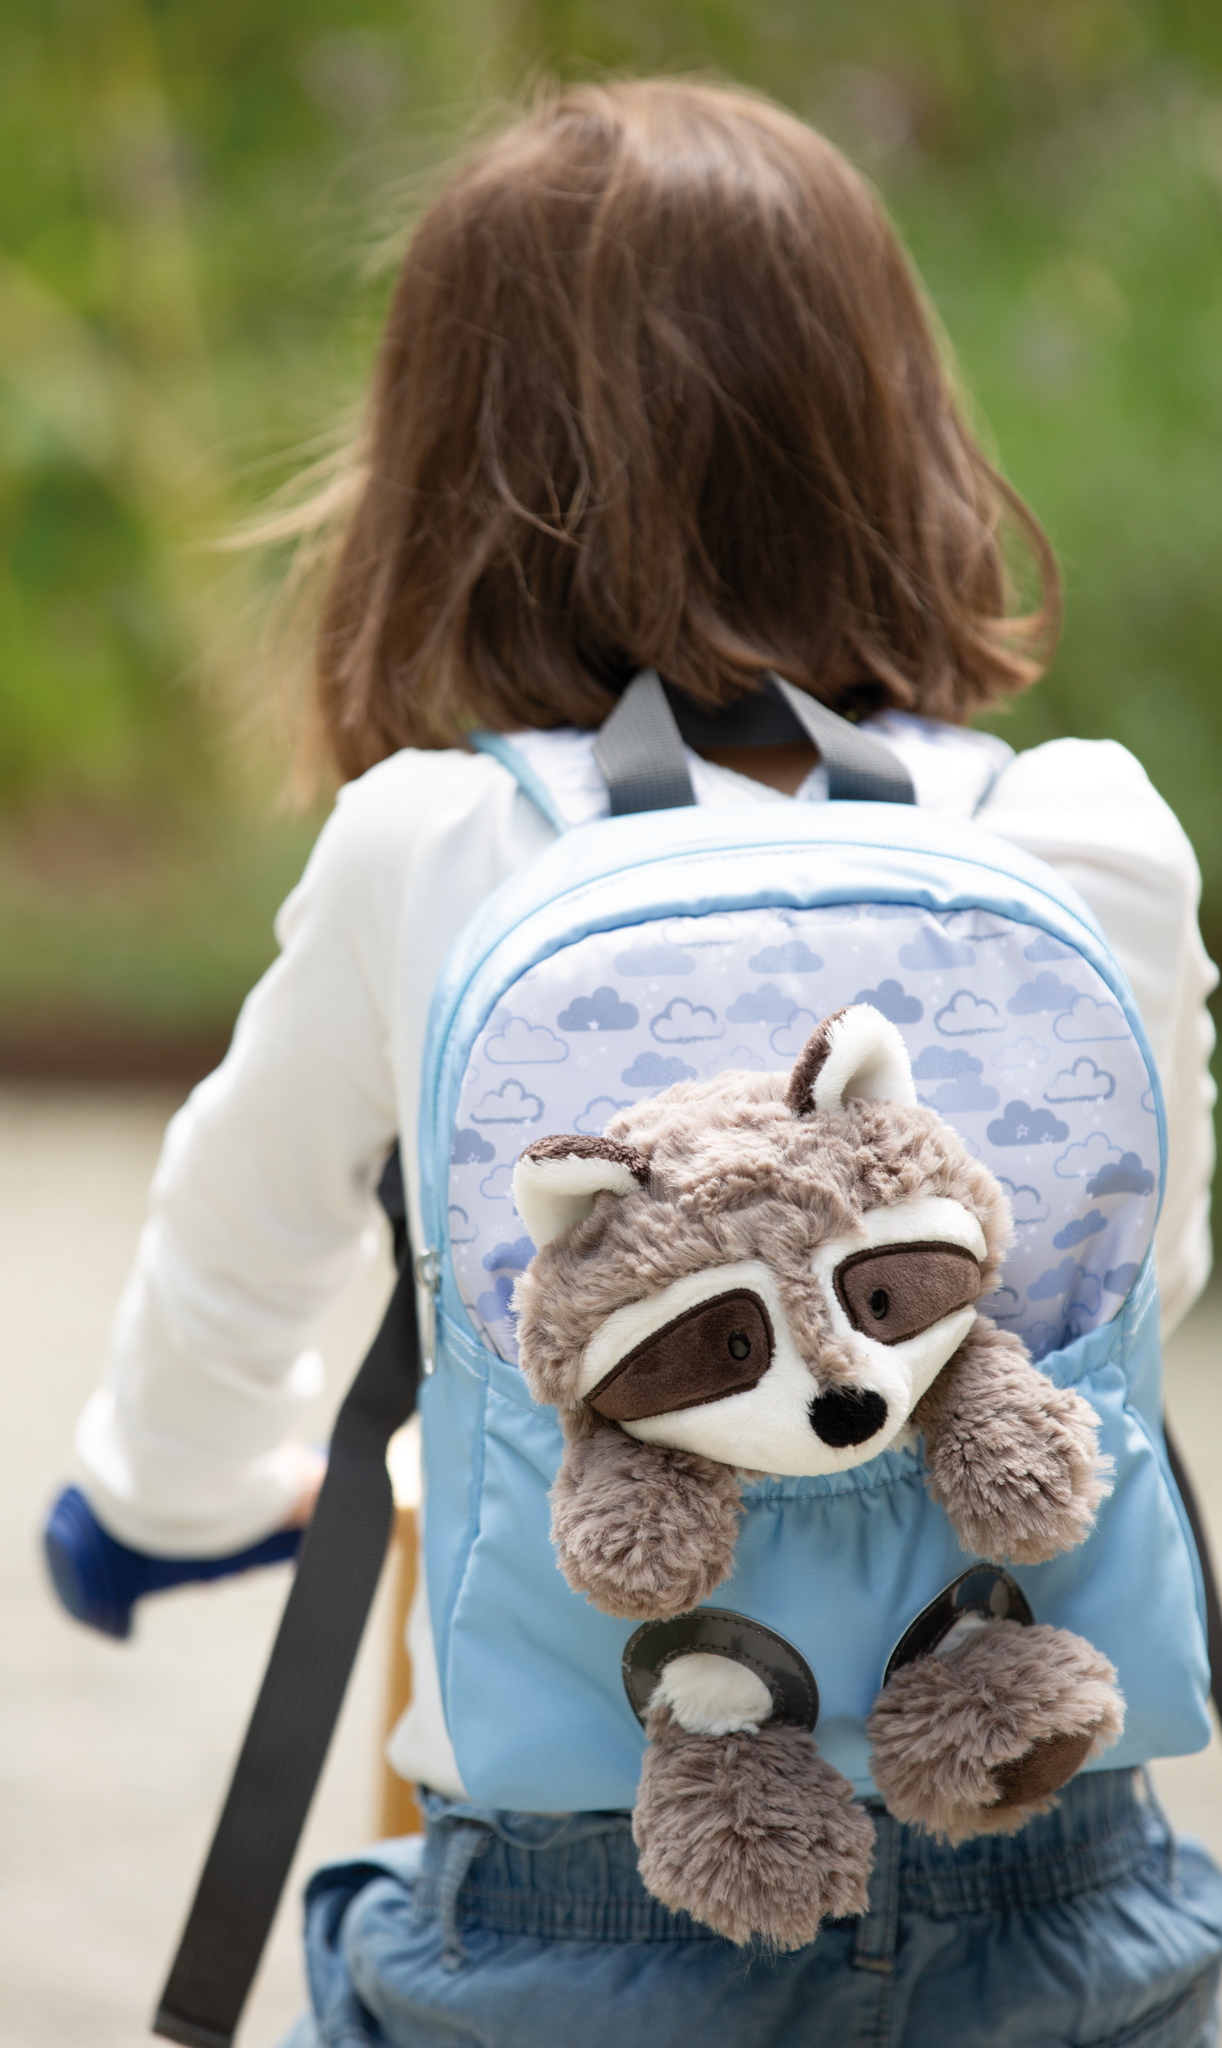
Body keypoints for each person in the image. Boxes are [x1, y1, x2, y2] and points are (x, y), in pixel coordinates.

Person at [67, 79, 1222, 2047]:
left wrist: (155, 1499)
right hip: (1050, 1849)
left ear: (440, 479)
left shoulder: (434, 842)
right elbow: (1131, 1277)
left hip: (578, 1895)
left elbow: (235, 1241)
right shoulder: (1075, 829)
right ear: (896, 430)